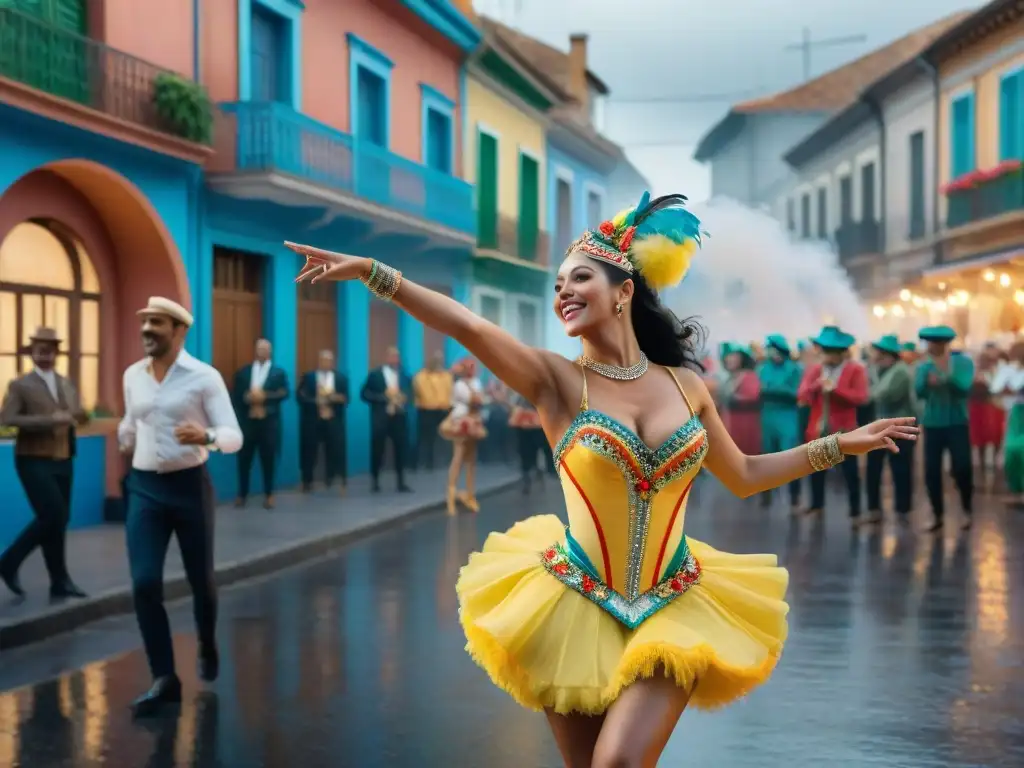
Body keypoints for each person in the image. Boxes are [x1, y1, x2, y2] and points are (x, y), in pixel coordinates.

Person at [286, 191, 916, 767]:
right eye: (558, 283)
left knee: (617, 764)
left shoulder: (685, 385)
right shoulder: (556, 381)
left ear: (623, 291)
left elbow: (745, 474)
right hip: (573, 606)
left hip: (675, 603)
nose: (564, 291)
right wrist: (376, 274)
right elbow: (469, 327)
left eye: (580, 277)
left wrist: (839, 444)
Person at [118, 297, 242, 717]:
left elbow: (233, 436)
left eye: (157, 322)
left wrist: (206, 436)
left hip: (190, 487)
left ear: (179, 330)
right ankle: (164, 678)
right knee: (144, 583)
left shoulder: (204, 377)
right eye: (145, 321)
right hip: (145, 488)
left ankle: (206, 641)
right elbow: (131, 421)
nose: (147, 329)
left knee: (200, 580)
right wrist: (124, 437)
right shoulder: (133, 375)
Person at [0, 327, 89, 599]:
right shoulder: (20, 385)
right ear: (32, 353)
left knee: (59, 521)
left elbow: (78, 415)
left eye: (49, 350)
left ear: (57, 352)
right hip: (32, 460)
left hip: (64, 458)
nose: (45, 355)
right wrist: (49, 420)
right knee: (53, 515)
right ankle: (9, 561)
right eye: (40, 350)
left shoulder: (66, 383)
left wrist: (81, 415)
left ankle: (59, 581)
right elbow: (7, 419)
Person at [798, 326, 869, 526]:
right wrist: (817, 386)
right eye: (825, 350)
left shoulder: (856, 370)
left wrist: (836, 390)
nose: (827, 355)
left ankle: (855, 512)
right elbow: (802, 395)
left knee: (850, 473)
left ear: (841, 353)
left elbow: (861, 397)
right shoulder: (815, 371)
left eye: (831, 351)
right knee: (816, 471)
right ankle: (816, 506)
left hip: (845, 430)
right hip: (819, 429)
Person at [915, 325, 974, 532]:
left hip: (957, 422)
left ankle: (966, 509)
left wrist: (946, 377)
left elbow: (965, 388)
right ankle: (937, 514)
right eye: (930, 343)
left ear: (944, 344)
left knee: (962, 467)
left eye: (936, 343)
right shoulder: (924, 366)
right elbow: (919, 392)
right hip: (932, 423)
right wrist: (927, 383)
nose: (932, 346)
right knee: (932, 471)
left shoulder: (962, 363)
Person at [865, 335, 916, 525]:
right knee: (873, 468)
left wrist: (870, 391)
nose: (876, 357)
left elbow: (886, 396)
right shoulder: (879, 371)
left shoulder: (901, 372)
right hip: (880, 427)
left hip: (900, 428)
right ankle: (874, 508)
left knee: (901, 469)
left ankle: (903, 509)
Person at [232, 339, 289, 509]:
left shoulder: (278, 373)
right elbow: (236, 395)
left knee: (268, 460)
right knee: (244, 460)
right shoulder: (244, 372)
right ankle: (242, 494)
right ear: (255, 351)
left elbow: (284, 393)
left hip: (269, 423)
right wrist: (246, 398)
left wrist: (265, 397)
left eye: (265, 349)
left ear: (270, 352)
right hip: (248, 423)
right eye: (259, 349)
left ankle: (269, 494)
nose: (262, 352)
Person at [757, 334, 803, 512]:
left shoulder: (793, 369)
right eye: (770, 349)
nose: (772, 353)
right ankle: (765, 492)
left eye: (774, 349)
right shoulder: (763, 368)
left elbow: (797, 393)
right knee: (767, 455)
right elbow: (758, 389)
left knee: (791, 456)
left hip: (787, 415)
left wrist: (773, 389)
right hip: (768, 415)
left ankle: (794, 497)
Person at [361, 346, 412, 493]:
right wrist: (382, 398)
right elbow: (364, 394)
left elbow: (411, 394)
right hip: (381, 418)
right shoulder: (375, 375)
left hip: (399, 417)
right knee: (377, 449)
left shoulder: (405, 376)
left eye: (397, 357)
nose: (394, 360)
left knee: (401, 449)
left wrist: (405, 399)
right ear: (386, 358)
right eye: (392, 357)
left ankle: (401, 482)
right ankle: (375, 481)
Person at [439, 358, 487, 514]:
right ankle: (450, 496)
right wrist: (480, 398)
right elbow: (474, 399)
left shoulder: (476, 382)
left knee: (471, 460)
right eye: (471, 367)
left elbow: (480, 400)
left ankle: (470, 494)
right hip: (460, 421)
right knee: (458, 458)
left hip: (473, 421)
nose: (474, 369)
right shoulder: (459, 385)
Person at [297, 349, 348, 493]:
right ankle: (307, 481)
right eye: (324, 360)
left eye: (329, 360)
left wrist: (335, 398)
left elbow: (346, 398)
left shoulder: (341, 378)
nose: (327, 363)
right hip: (313, 421)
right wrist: (315, 401)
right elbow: (300, 396)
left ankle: (331, 477)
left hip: (333, 420)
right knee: (309, 451)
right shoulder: (309, 377)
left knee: (333, 449)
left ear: (333, 362)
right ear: (319, 362)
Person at [992, 342, 1024, 504]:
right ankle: (1017, 490)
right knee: (1011, 452)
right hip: (1016, 413)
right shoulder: (1011, 370)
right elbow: (997, 388)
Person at [968, 345, 1004, 485]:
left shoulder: (995, 373)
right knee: (980, 437)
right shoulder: (975, 374)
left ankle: (994, 461)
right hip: (979, 408)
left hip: (992, 407)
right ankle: (983, 463)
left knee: (995, 435)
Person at [412, 351, 453, 471]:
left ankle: (441, 462)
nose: (438, 362)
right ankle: (421, 463)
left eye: (440, 360)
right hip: (426, 410)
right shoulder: (421, 376)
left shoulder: (446, 376)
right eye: (436, 360)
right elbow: (423, 392)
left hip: (443, 410)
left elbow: (449, 392)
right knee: (425, 438)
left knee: (445, 437)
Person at [718, 343, 761, 456]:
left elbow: (752, 396)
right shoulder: (729, 377)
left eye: (734, 356)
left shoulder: (749, 376)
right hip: (729, 424)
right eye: (728, 356)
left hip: (744, 426)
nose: (729, 359)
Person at [509, 391, 547, 495]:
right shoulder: (519, 391)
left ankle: (532, 472)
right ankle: (529, 475)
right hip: (525, 423)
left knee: (531, 450)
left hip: (532, 422)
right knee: (525, 451)